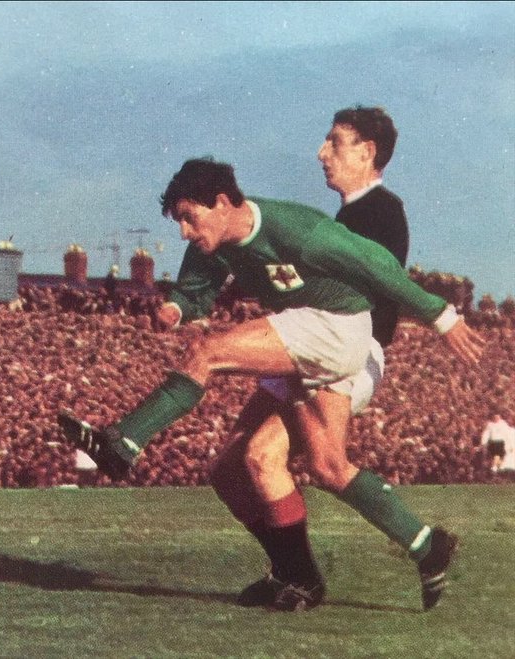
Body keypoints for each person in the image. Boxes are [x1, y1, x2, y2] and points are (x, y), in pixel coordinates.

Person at [57, 158, 485, 611]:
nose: (184, 230)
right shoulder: (215, 239)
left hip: (338, 326)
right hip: (301, 332)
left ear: (222, 202)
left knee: (211, 356)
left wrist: (441, 316)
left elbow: (375, 263)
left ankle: (122, 442)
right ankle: (419, 547)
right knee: (270, 468)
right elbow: (194, 289)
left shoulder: (296, 229)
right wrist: (177, 308)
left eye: (189, 217)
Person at [208, 107, 418, 609]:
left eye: (335, 142)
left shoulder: (381, 212)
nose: (322, 153)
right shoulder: (344, 217)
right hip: (310, 343)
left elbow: (356, 301)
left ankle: (305, 576)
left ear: (367, 152)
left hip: (342, 353)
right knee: (227, 471)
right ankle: (288, 568)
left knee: (270, 457)